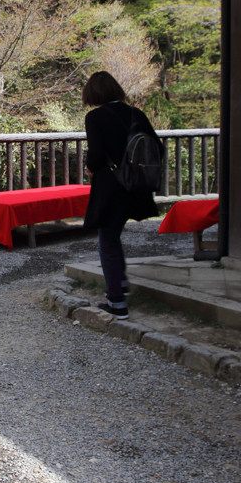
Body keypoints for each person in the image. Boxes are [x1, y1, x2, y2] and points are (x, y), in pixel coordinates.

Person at [82, 71, 163, 320]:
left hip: (111, 187)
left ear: (93, 94)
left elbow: (96, 155)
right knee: (114, 236)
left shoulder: (95, 117)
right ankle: (122, 283)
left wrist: (90, 168)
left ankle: (117, 302)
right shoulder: (135, 113)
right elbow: (157, 147)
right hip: (136, 186)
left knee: (107, 239)